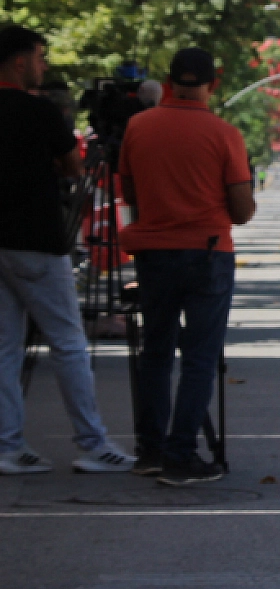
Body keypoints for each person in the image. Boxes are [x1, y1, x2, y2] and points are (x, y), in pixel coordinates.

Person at [0, 26, 135, 475]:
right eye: (39, 57)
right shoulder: (38, 111)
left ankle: (8, 444)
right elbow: (73, 165)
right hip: (35, 240)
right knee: (68, 342)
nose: (43, 66)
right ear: (19, 62)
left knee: (5, 347)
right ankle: (92, 443)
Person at [119, 47, 255, 485]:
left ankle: (150, 451)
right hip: (207, 254)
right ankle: (182, 454)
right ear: (213, 84)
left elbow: (130, 190)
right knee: (199, 358)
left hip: (153, 254)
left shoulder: (138, 127)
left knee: (155, 353)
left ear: (169, 79)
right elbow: (241, 210)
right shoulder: (224, 134)